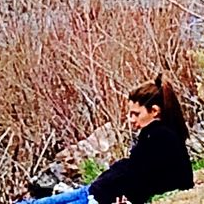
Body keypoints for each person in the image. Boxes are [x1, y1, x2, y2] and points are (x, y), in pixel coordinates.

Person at [26, 75, 194, 204]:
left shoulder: (160, 137)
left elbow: (147, 181)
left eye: (136, 114)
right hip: (98, 190)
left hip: (102, 197)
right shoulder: (158, 134)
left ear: (154, 111)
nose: (131, 119)